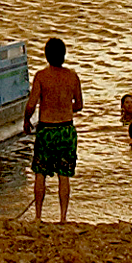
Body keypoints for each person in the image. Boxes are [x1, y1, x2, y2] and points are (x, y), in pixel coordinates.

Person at [22, 37, 83, 222]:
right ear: (64, 55)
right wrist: (64, 107)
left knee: (40, 173)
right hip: (66, 129)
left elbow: (31, 105)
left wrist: (26, 120)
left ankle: (39, 216)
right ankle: (63, 217)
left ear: (46, 55)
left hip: (47, 129)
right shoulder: (72, 76)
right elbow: (79, 105)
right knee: (64, 175)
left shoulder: (41, 76)